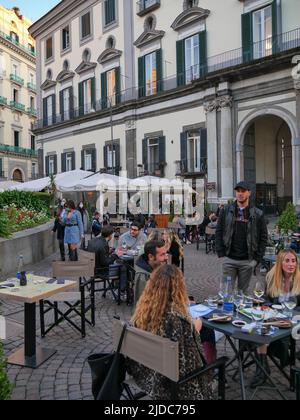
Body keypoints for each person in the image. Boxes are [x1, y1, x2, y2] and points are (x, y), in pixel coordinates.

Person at [128, 264, 213, 400]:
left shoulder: (143, 311)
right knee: (210, 333)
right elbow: (188, 362)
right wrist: (195, 329)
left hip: (144, 372)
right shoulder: (177, 321)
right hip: (169, 383)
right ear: (179, 288)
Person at [250, 249, 300, 388]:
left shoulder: (299, 280)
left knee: (264, 332)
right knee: (260, 330)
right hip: (274, 319)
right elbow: (264, 300)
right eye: (287, 261)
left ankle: (265, 368)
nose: (291, 264)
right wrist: (270, 308)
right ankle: (262, 369)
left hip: (293, 322)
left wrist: (292, 312)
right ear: (280, 263)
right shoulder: (271, 278)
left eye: (293, 261)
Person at [216, 181, 268, 293]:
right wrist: (221, 253)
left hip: (247, 261)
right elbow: (219, 231)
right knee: (226, 293)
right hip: (229, 259)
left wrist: (256, 259)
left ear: (249, 193)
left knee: (242, 294)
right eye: (238, 191)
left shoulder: (258, 214)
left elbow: (263, 238)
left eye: (243, 191)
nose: (240, 193)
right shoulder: (226, 210)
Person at [134, 240, 168, 307]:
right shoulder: (142, 276)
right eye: (162, 255)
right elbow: (143, 305)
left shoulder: (158, 268)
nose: (166, 258)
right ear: (151, 257)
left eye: (166, 254)